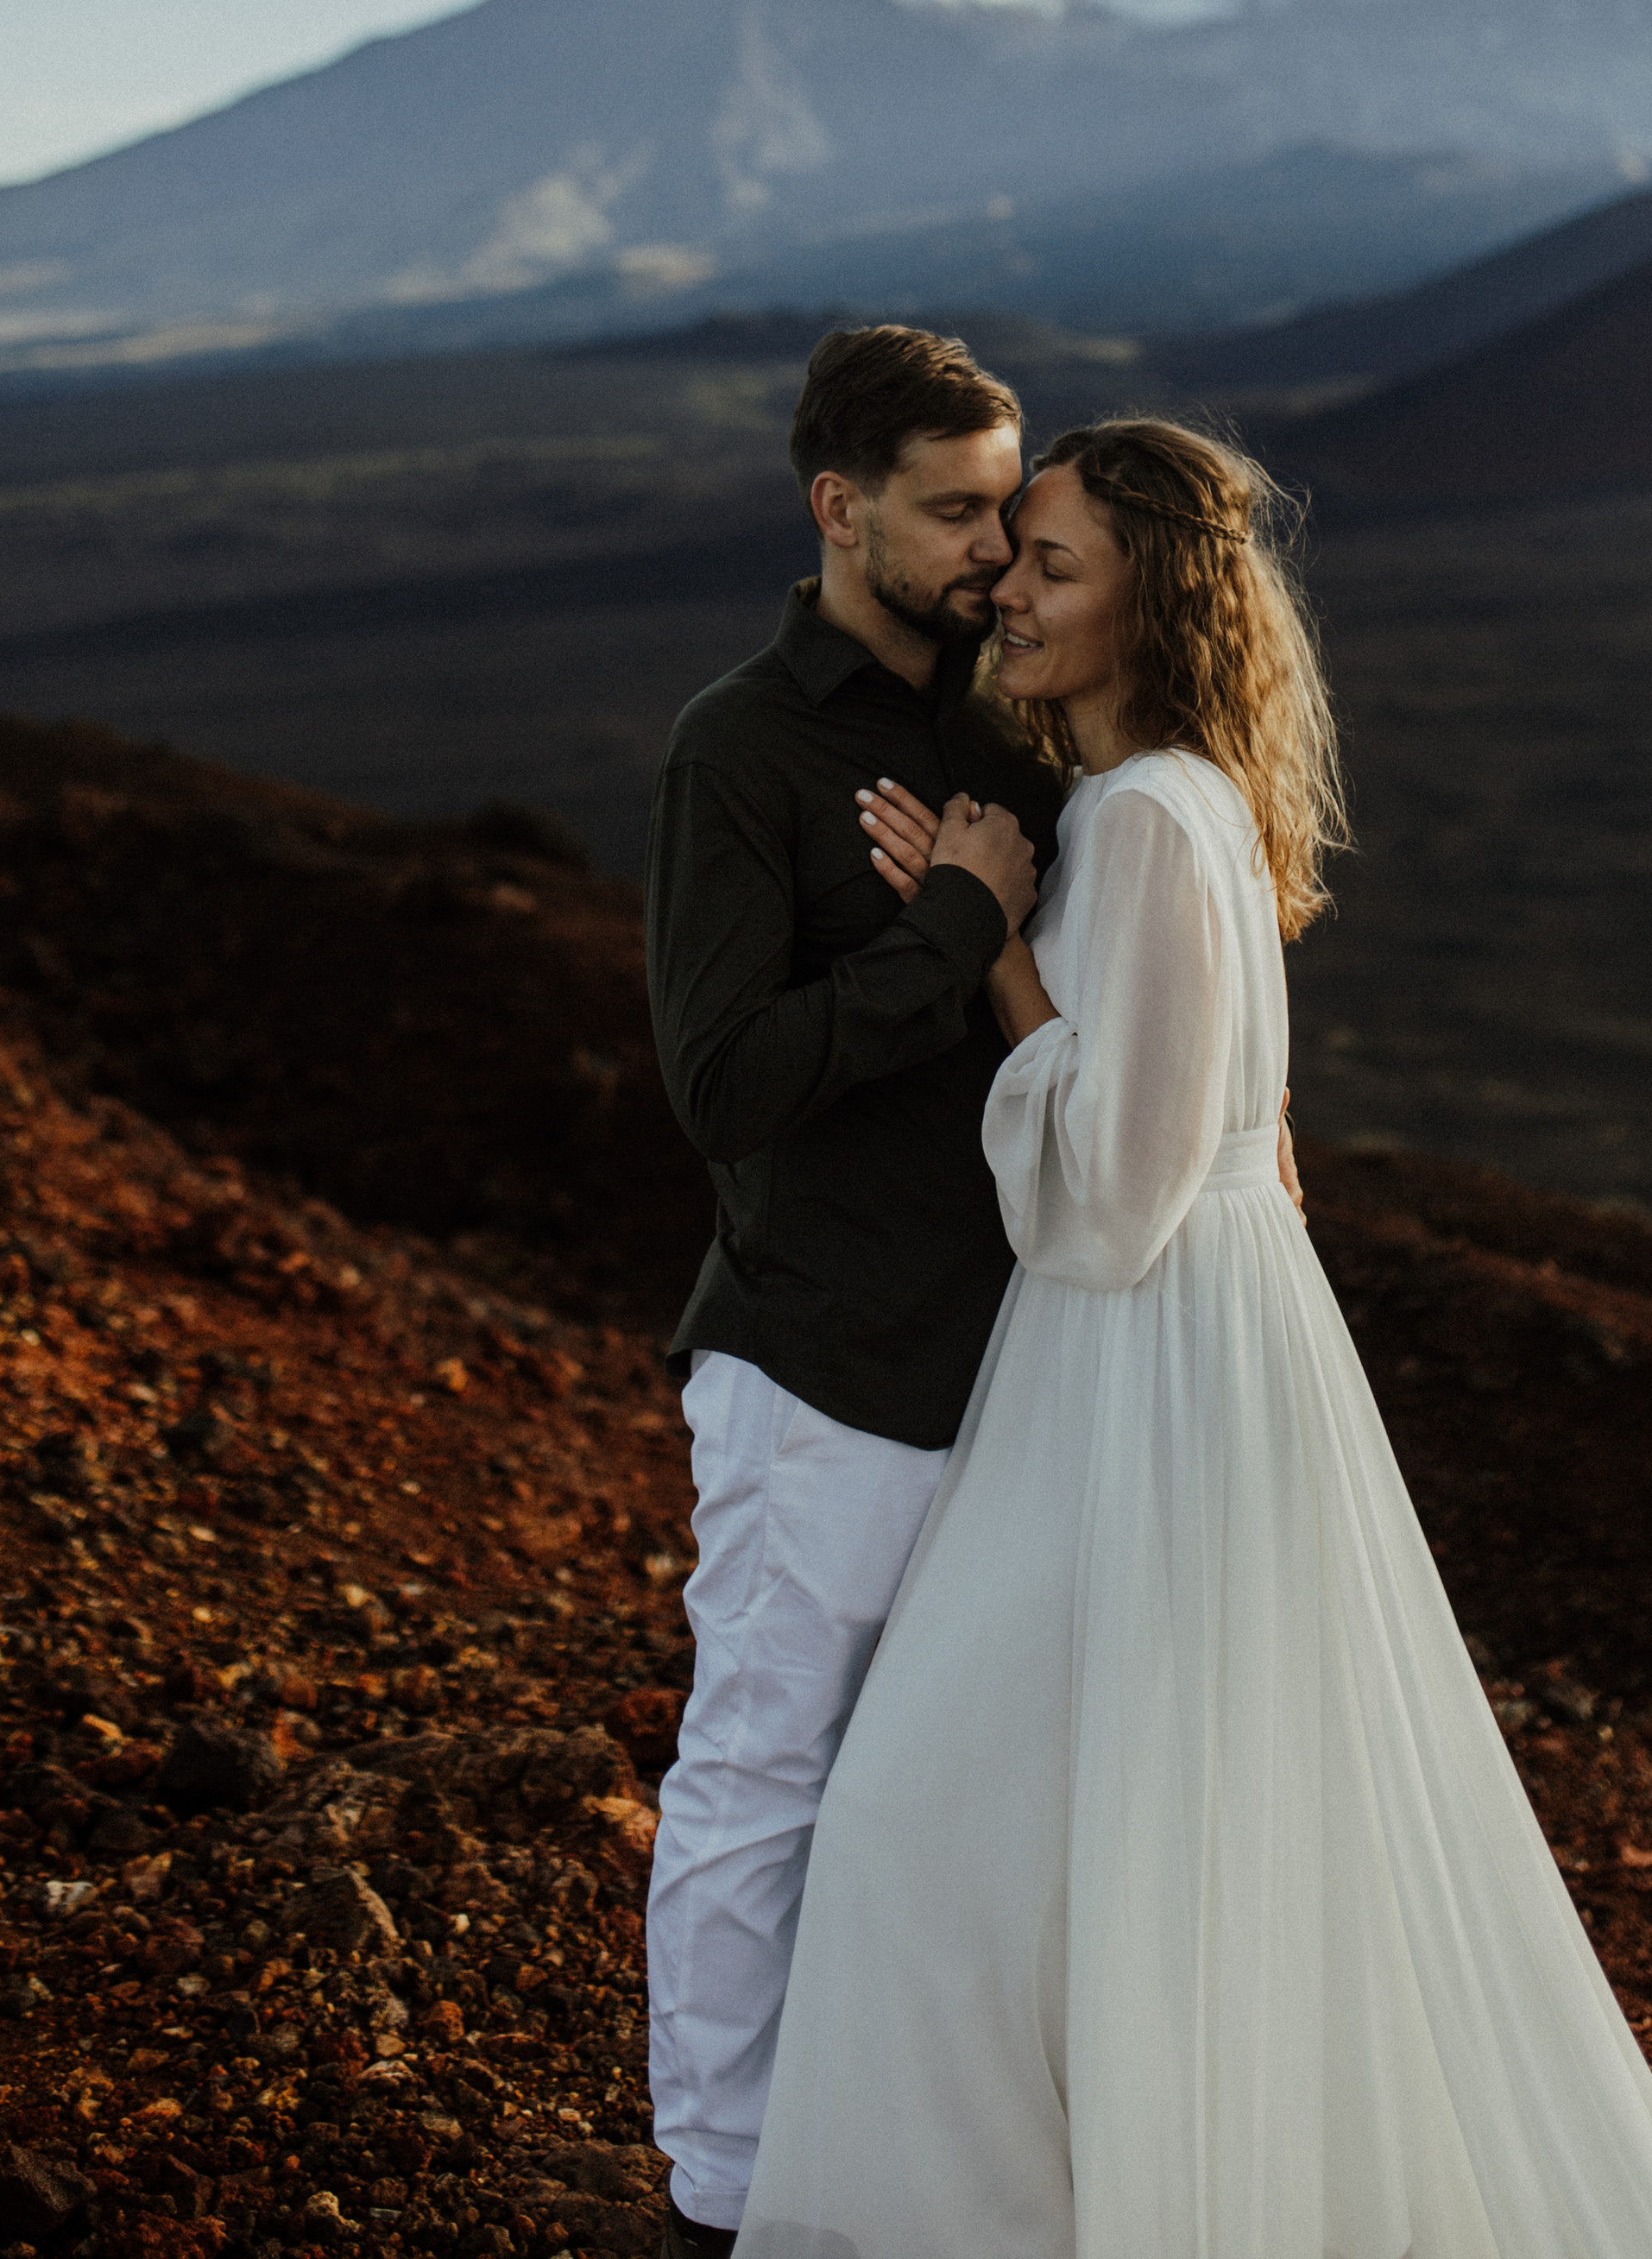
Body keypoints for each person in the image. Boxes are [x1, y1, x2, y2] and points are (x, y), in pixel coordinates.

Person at [733, 417, 1652, 2259]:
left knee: (922, 1827)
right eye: (1007, 553)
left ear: (1153, 599)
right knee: (1141, 1845)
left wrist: (983, 938)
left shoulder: (1133, 819)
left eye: (1050, 567)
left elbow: (1112, 1196)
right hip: (1190, 1359)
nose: (1004, 594)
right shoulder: (1179, 802)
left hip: (1139, 1375)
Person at [641, 325, 1065, 2258]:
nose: (994, 548)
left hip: (1018, 1372)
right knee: (760, 1780)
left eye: (1008, 506)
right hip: (819, 1368)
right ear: (841, 509)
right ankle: (720, 2208)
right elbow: (720, 1079)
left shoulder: (1011, 731)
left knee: (938, 1810)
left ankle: (885, 2182)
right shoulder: (742, 748)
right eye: (955, 510)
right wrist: (956, 936)